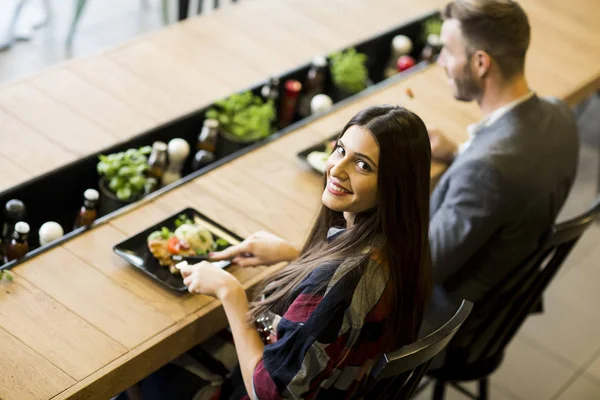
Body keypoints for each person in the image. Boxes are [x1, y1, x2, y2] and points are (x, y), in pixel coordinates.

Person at [130, 105, 433, 400]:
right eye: (340, 150)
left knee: (148, 374)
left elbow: (269, 392)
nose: (336, 169)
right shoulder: (398, 244)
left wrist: (229, 291)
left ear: (394, 185)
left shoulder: (342, 281)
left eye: (362, 165)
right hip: (340, 383)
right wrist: (296, 256)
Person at [427, 0, 579, 310]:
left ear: (481, 63)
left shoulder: (485, 171)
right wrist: (459, 154)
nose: (441, 62)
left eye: (449, 52)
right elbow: (507, 177)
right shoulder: (559, 113)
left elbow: (418, 267)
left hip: (442, 317)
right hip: (504, 287)